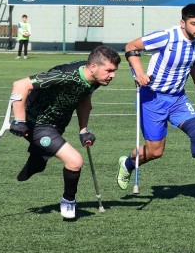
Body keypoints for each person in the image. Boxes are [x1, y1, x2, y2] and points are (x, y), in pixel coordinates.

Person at [8, 45, 121, 219]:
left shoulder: (95, 79)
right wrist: (20, 121)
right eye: (109, 70)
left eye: (114, 71)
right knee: (75, 161)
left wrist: (83, 130)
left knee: (42, 155)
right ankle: (68, 201)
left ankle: (37, 161)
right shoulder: (64, 75)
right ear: (93, 67)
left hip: (58, 124)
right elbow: (20, 85)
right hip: (36, 124)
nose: (113, 75)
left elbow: (84, 100)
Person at [117, 4, 195, 190]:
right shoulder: (166, 37)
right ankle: (127, 163)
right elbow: (131, 47)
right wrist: (139, 74)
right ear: (182, 23)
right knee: (156, 152)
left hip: (178, 98)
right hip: (152, 98)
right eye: (194, 23)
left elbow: (193, 60)